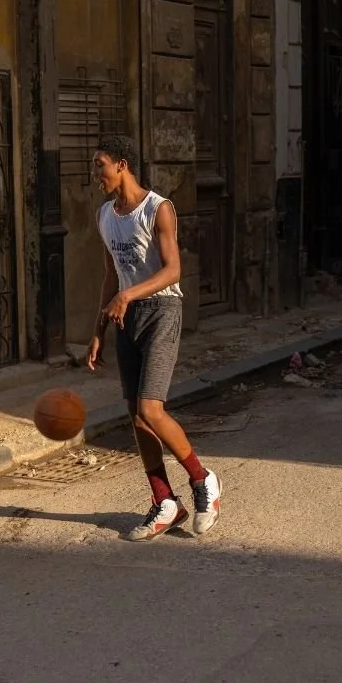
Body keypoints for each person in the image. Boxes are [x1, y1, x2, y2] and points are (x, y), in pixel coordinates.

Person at [85, 134, 221, 540]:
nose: (96, 175)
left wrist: (129, 294)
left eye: (100, 166)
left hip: (162, 311)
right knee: (136, 415)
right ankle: (165, 502)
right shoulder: (105, 215)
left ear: (122, 165)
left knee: (151, 408)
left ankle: (203, 481)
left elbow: (173, 270)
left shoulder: (158, 208)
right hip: (126, 318)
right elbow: (111, 275)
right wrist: (97, 330)